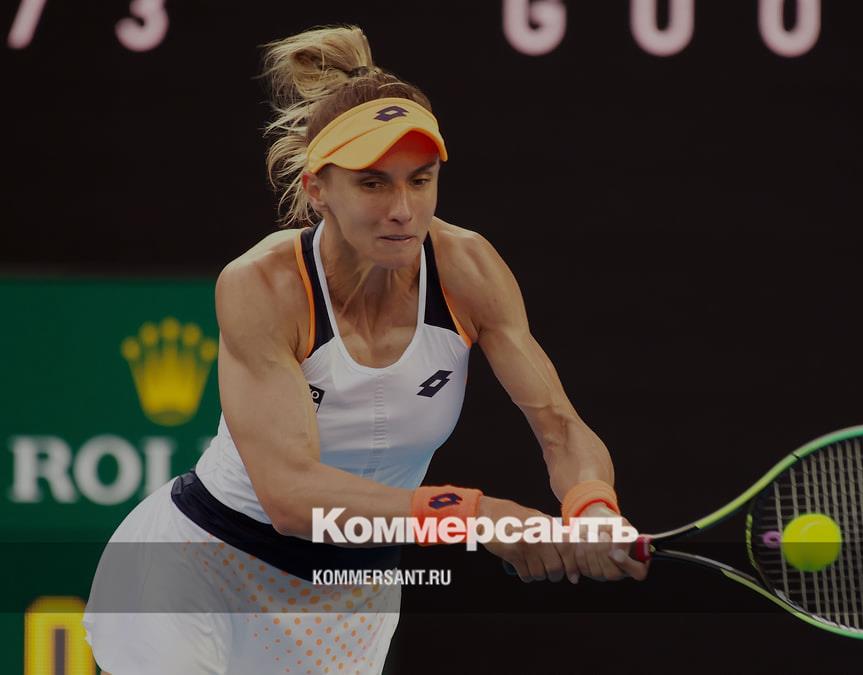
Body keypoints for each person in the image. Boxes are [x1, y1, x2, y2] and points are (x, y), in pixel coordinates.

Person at [83, 24, 647, 675]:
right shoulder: (262, 284)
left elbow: (560, 428)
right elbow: (291, 496)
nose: (403, 209)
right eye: (373, 183)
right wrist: (477, 516)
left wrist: (593, 506)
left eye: (421, 180)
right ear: (318, 189)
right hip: (199, 569)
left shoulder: (469, 269)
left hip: (348, 599)